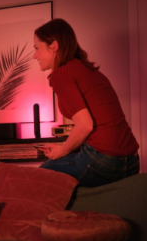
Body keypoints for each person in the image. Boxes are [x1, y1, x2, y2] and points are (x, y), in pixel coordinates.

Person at [32, 18, 140, 188]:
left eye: (37, 48)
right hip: (132, 161)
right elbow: (99, 125)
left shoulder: (61, 74)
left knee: (40, 175)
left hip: (104, 162)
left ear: (53, 46)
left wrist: (63, 150)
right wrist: (63, 148)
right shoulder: (88, 70)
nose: (34, 56)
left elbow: (85, 126)